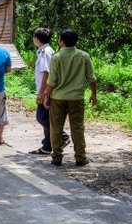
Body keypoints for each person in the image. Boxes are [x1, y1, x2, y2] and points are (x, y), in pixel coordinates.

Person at [43, 28, 97, 166]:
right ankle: (80, 157)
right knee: (77, 127)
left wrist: (46, 96)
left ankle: (56, 157)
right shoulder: (84, 56)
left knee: (56, 128)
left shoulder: (56, 57)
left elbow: (52, 80)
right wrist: (93, 94)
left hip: (58, 98)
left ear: (61, 42)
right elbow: (91, 78)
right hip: (76, 98)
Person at [30, 28, 70, 155]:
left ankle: (62, 136)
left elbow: (46, 73)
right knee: (46, 116)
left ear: (37, 39)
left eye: (34, 37)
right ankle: (47, 146)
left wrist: (43, 93)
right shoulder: (46, 51)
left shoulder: (45, 52)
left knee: (41, 117)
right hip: (48, 89)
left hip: (47, 90)